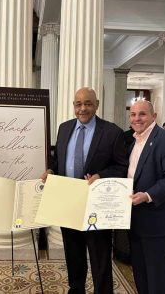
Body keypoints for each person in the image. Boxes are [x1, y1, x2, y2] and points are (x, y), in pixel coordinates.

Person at [41, 87, 128, 294]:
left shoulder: (112, 132)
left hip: (97, 205)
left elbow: (122, 167)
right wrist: (51, 170)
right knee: (73, 253)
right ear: (73, 106)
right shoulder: (64, 128)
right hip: (69, 203)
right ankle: (76, 288)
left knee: (100, 256)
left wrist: (102, 176)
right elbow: (59, 160)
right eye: (78, 104)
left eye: (88, 103)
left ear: (97, 104)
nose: (83, 109)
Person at [128, 100, 165, 294]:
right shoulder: (132, 140)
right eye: (133, 114)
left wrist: (148, 195)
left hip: (158, 221)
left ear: (154, 116)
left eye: (142, 114)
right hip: (135, 221)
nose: (137, 118)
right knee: (141, 274)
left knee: (159, 279)